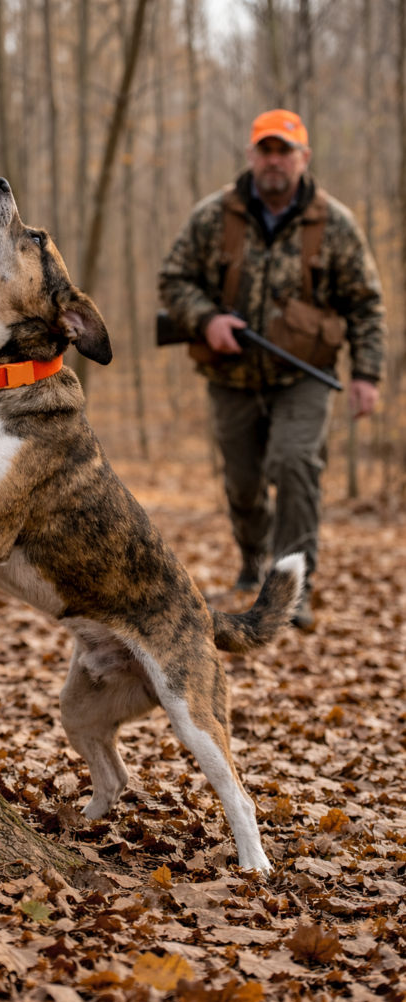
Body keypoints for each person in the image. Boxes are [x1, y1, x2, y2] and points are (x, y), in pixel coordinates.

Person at [159, 109, 386, 628]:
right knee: (242, 484)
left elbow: (366, 305)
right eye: (267, 150)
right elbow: (174, 279)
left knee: (295, 464)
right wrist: (207, 317)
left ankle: (294, 586)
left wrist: (367, 375)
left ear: (304, 158)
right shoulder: (213, 215)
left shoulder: (335, 224)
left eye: (286, 151)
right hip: (230, 377)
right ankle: (252, 561)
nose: (275, 160)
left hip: (303, 378)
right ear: (251, 156)